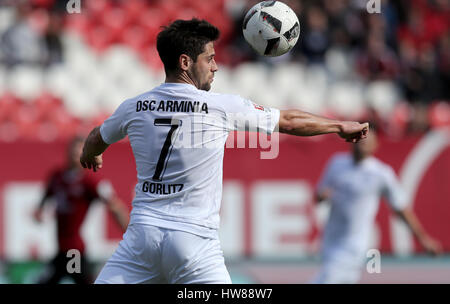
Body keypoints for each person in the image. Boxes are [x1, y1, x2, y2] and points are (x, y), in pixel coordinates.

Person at [80, 18, 369, 284]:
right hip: (194, 244)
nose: (215, 66)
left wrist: (91, 154)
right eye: (210, 59)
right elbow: (289, 121)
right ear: (185, 62)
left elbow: (96, 137)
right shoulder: (220, 107)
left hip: (142, 239)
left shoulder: (134, 106)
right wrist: (338, 126)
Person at [311, 130, 442, 284]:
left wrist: (423, 239)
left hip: (355, 244)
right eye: (360, 139)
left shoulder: (381, 174)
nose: (362, 143)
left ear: (375, 145)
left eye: (367, 141)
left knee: (327, 280)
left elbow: (401, 208)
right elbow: (318, 196)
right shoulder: (337, 163)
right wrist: (322, 196)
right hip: (330, 240)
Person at [34, 136, 129, 284]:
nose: (74, 153)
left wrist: (128, 233)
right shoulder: (57, 177)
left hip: (74, 251)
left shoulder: (89, 181)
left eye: (79, 150)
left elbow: (114, 204)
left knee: (78, 279)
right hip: (61, 251)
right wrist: (39, 210)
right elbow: (47, 195)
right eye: (72, 149)